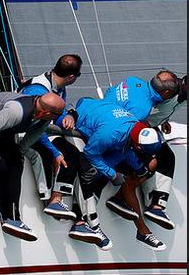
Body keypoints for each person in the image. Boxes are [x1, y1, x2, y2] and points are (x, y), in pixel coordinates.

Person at [67, 98, 165, 251]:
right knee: (92, 173)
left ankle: (119, 204)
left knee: (120, 164)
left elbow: (126, 149)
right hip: (84, 124)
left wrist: (139, 167)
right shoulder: (111, 134)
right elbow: (90, 154)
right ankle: (84, 222)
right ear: (138, 145)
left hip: (100, 116)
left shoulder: (134, 127)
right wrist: (112, 174)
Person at [0, 92, 65, 241]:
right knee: (0, 165)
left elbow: (32, 136)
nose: (57, 118)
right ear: (46, 112)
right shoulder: (17, 110)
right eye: (57, 115)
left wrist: (17, 153)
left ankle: (14, 219)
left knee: (16, 162)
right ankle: (6, 217)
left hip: (2, 131)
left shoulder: (44, 117)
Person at [102, 71, 181, 230]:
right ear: (166, 93)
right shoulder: (142, 108)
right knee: (155, 159)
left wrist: (160, 121)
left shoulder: (133, 80)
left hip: (101, 116)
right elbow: (128, 133)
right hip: (110, 143)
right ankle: (124, 199)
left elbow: (110, 93)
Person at [17, 54, 83, 220]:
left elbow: (56, 112)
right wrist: (55, 152)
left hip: (43, 130)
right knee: (58, 154)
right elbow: (35, 128)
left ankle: (56, 199)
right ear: (71, 77)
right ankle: (50, 200)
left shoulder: (59, 87)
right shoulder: (38, 89)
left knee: (73, 153)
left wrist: (68, 117)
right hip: (24, 132)